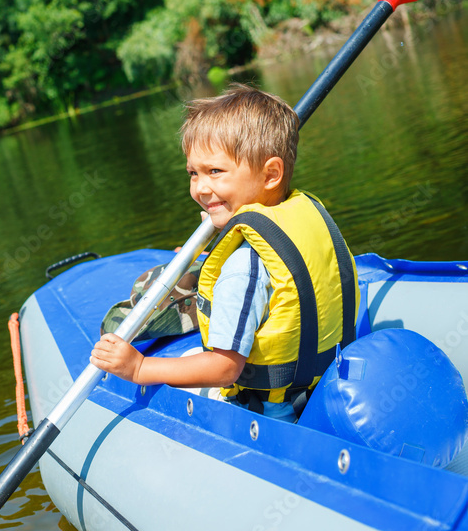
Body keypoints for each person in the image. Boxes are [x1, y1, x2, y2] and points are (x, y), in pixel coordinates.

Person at [90, 84, 359, 421]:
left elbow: (224, 368)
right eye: (193, 173)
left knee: (168, 381)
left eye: (215, 172)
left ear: (271, 173)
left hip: (267, 412)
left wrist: (140, 367)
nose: (200, 188)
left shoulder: (243, 267)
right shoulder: (301, 213)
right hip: (316, 388)